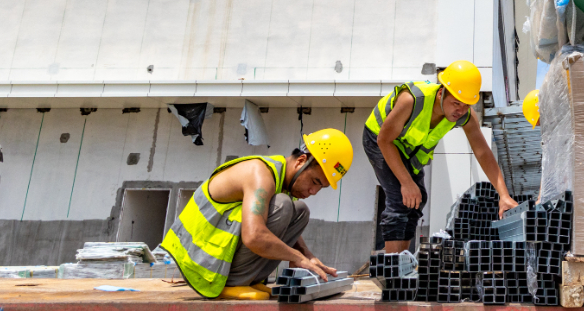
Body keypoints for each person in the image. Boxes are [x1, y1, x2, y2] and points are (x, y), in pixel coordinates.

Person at [161, 128, 353, 300]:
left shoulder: (280, 180)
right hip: (199, 260)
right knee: (283, 205)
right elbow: (254, 236)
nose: (313, 191)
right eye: (315, 181)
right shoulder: (260, 174)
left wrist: (307, 256)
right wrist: (297, 257)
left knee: (300, 210)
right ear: (301, 161)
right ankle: (233, 283)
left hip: (214, 254)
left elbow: (283, 227)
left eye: (321, 187)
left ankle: (249, 280)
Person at [365, 60, 518, 253]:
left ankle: (403, 264)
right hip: (380, 139)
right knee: (400, 198)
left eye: (466, 105)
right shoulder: (412, 101)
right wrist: (406, 182)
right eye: (455, 103)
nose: (460, 110)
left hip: (407, 151)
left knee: (417, 200)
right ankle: (392, 272)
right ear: (441, 93)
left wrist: (503, 195)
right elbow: (384, 140)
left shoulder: (466, 116)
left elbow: (483, 152)